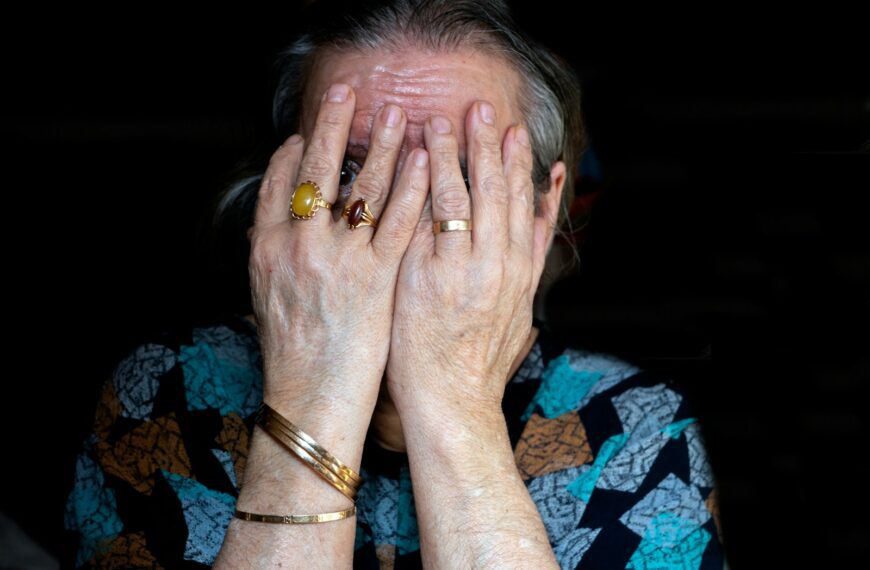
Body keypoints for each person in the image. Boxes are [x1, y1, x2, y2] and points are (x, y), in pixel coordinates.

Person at [63, 1, 727, 567]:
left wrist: (454, 393)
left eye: (457, 177)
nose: (397, 220)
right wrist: (316, 383)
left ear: (541, 210)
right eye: (353, 175)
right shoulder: (168, 393)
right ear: (287, 194)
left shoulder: (635, 433)